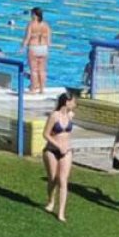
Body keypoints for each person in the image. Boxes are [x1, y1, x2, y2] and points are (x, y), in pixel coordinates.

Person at [43, 92, 76, 222]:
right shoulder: (54, 116)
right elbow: (46, 134)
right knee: (53, 178)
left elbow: (67, 134)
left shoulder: (70, 115)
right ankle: (51, 200)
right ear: (66, 102)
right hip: (51, 150)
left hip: (66, 151)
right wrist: (58, 145)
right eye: (73, 102)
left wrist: (65, 147)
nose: (75, 104)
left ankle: (61, 212)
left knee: (63, 180)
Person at [20, 7, 51, 95]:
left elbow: (27, 37)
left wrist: (22, 47)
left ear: (34, 15)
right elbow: (49, 41)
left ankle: (33, 89)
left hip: (33, 48)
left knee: (33, 70)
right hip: (44, 48)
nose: (30, 16)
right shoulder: (46, 25)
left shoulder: (31, 24)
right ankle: (42, 89)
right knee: (42, 70)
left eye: (31, 14)